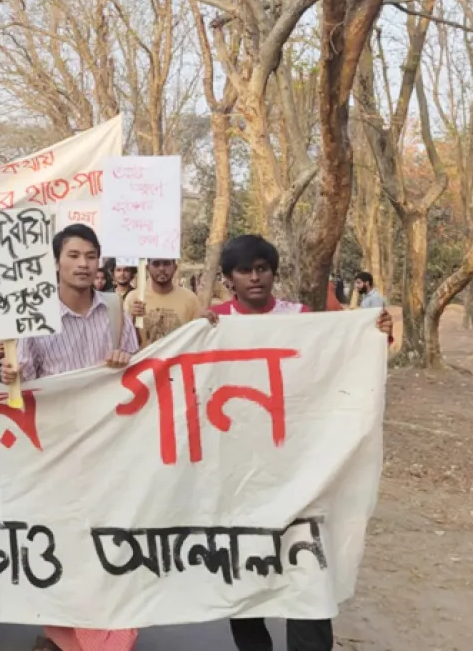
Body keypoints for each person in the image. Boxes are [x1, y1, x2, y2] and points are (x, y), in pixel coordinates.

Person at [207, 235, 392, 651]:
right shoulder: (214, 322)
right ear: (229, 279)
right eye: (245, 271)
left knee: (308, 568)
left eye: (263, 268)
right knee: (244, 570)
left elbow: (340, 354)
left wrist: (374, 332)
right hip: (239, 472)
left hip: (299, 466)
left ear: (273, 272)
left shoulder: (302, 316)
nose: (256, 278)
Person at [0, 224, 139, 651]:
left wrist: (124, 363)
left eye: (91, 255)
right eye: (74, 255)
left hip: (109, 450)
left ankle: (106, 632)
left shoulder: (116, 311)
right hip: (56, 452)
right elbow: (19, 396)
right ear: (56, 261)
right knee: (61, 540)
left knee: (107, 542)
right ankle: (60, 630)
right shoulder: (33, 315)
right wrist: (12, 379)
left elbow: (138, 378)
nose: (83, 264)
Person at [127, 258, 202, 345]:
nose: (161, 268)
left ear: (175, 267)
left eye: (166, 263)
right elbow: (127, 343)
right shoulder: (134, 299)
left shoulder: (190, 298)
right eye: (156, 264)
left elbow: (197, 337)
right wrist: (132, 319)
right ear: (148, 268)